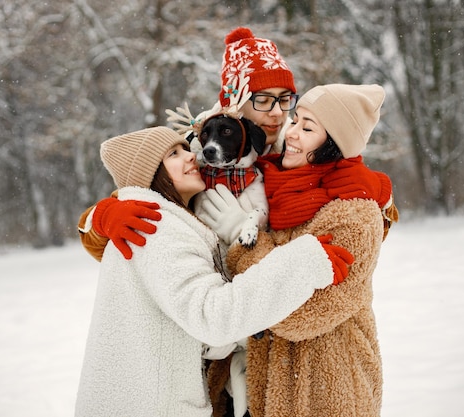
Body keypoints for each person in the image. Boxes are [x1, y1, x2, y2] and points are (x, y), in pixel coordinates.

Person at [74, 126, 356, 417]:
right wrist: (301, 263)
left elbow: (194, 325)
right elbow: (212, 317)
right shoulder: (154, 226)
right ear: (151, 173)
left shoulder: (161, 219)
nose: (192, 157)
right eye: (174, 153)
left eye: (186, 148)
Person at [201, 84, 394, 417]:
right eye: (296, 121)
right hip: (248, 391)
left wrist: (242, 241)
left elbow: (300, 315)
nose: (291, 133)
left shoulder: (354, 213)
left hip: (322, 394)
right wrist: (99, 219)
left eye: (308, 128)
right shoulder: (270, 184)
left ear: (333, 145)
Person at [77, 26, 298, 261]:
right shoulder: (192, 150)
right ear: (234, 102)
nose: (277, 112)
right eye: (263, 100)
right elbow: (112, 224)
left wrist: (242, 229)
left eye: (285, 100)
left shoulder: (300, 150)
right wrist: (103, 217)